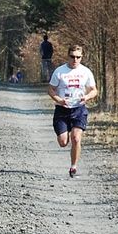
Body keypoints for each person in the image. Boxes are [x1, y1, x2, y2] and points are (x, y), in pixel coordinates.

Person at [47, 44, 98, 177]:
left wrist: (86, 97)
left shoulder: (86, 72)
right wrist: (59, 100)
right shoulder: (59, 71)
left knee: (76, 138)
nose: (75, 60)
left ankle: (73, 166)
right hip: (62, 110)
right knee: (63, 142)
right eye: (72, 57)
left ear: (82, 57)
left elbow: (94, 90)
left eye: (78, 57)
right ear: (68, 56)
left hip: (79, 109)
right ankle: (64, 134)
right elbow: (50, 89)